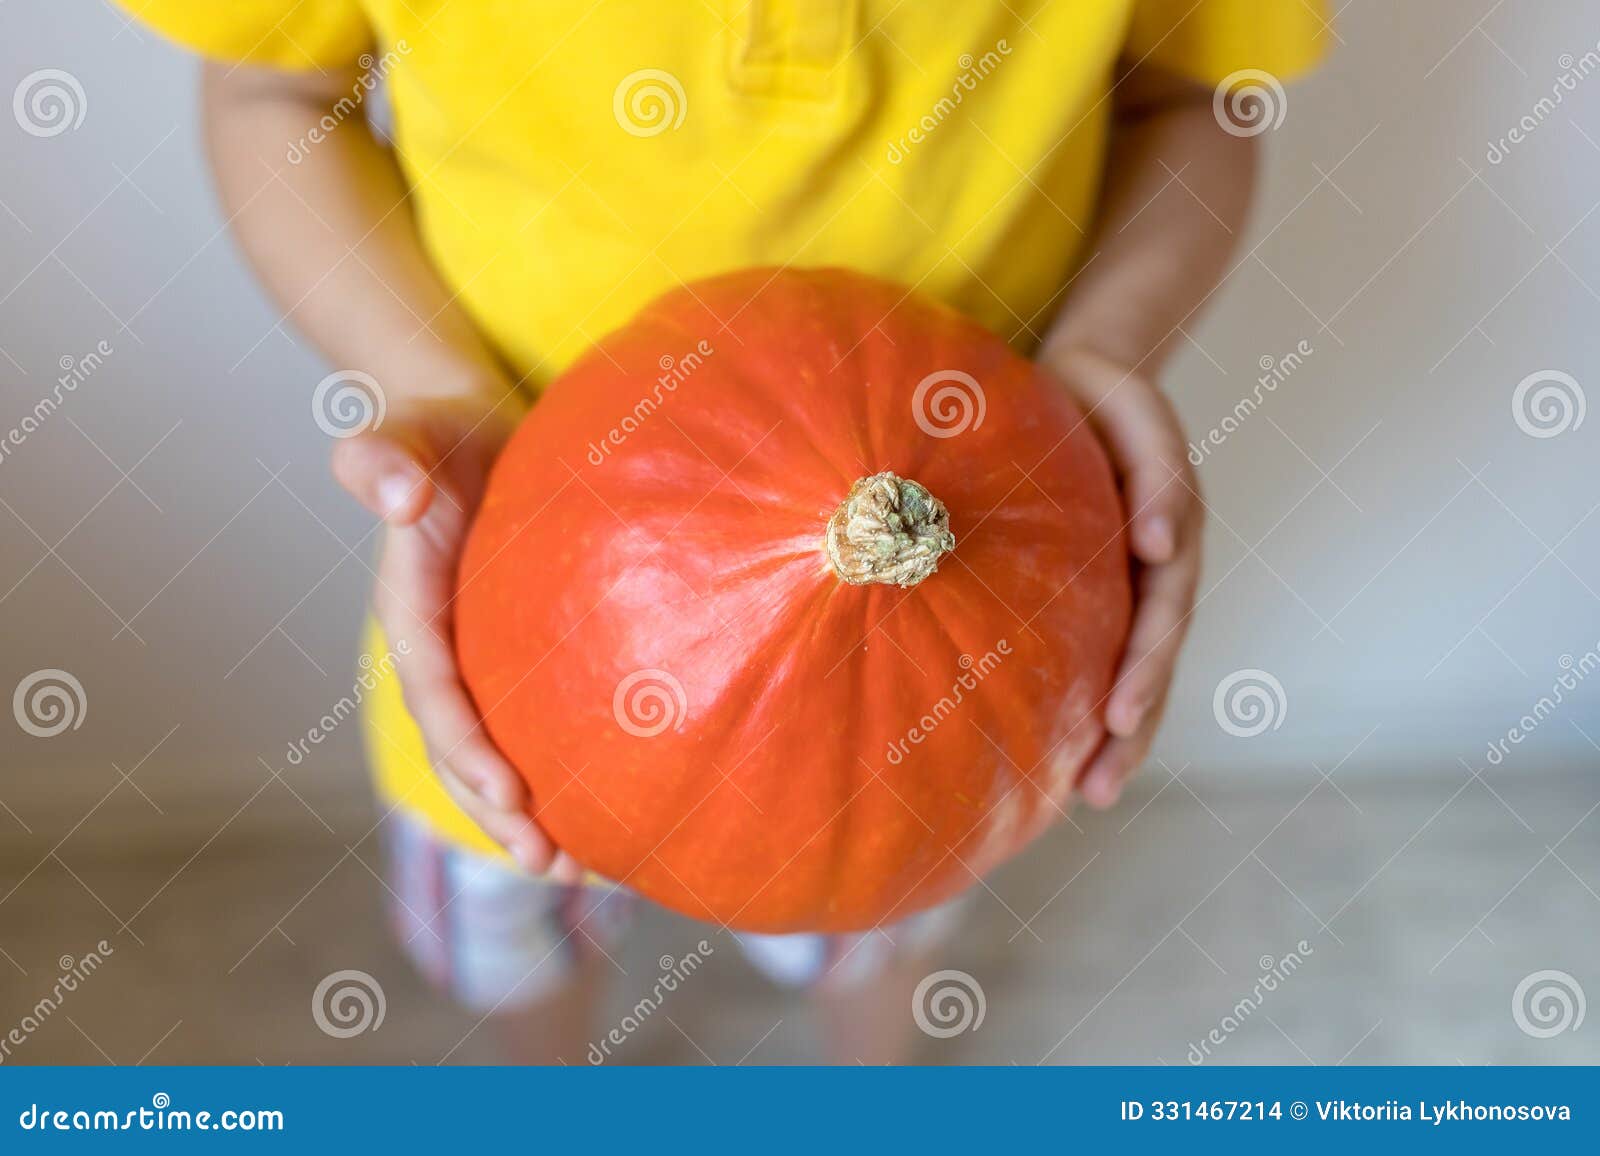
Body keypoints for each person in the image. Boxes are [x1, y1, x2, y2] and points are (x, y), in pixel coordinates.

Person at [116, 0, 1328, 1063]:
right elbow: (273, 88)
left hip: (940, 661)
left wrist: (1106, 350)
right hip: (493, 584)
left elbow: (1190, 98)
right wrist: (430, 385)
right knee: (516, 927)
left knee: (875, 929)